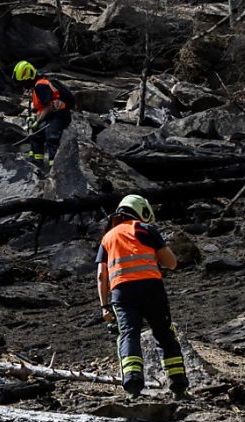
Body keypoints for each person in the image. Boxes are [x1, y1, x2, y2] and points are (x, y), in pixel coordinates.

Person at [96, 194, 189, 398]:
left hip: (122, 293)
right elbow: (171, 263)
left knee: (129, 334)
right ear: (142, 211)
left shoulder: (108, 237)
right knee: (164, 334)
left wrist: (104, 307)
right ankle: (178, 385)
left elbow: (102, 276)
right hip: (151, 289)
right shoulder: (145, 229)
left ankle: (133, 385)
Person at [11, 60, 73, 169]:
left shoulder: (41, 86)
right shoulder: (36, 85)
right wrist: (34, 117)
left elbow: (48, 107)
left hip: (60, 115)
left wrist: (38, 121)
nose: (22, 85)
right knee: (36, 136)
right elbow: (41, 106)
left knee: (51, 137)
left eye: (22, 82)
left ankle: (55, 167)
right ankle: (36, 164)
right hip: (52, 114)